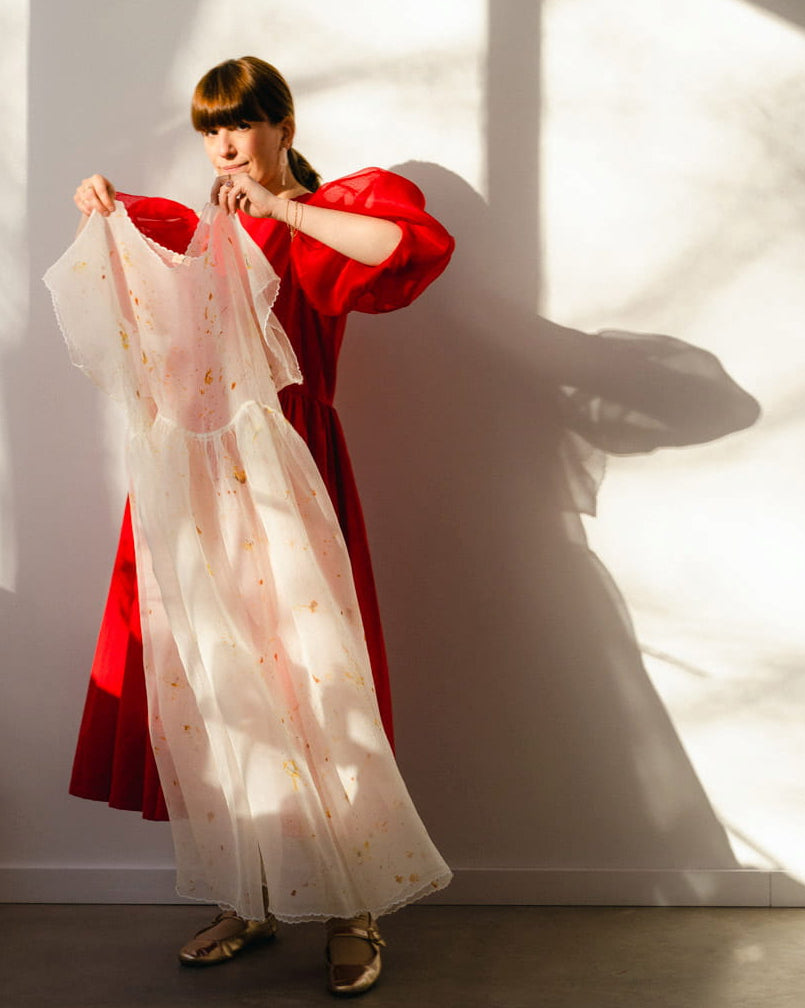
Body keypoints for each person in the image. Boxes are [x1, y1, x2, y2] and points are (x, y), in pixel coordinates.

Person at [62, 56, 455, 995]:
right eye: (210, 128)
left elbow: (395, 251)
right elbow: (142, 269)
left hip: (293, 470)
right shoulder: (200, 231)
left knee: (322, 696)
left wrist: (279, 209)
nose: (225, 143)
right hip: (199, 483)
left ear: (281, 122)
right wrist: (103, 202)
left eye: (240, 122)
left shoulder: (327, 212)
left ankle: (356, 907)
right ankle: (251, 894)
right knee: (223, 689)